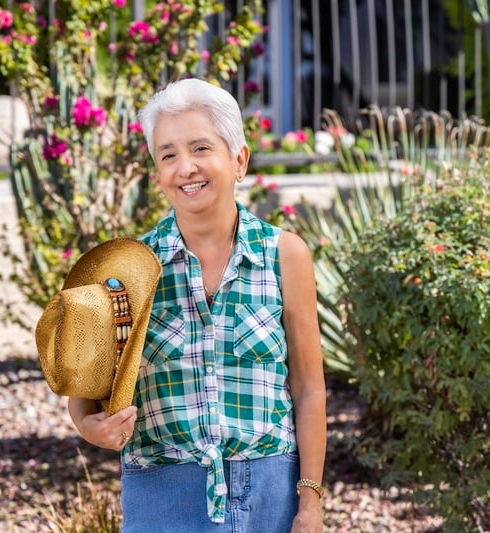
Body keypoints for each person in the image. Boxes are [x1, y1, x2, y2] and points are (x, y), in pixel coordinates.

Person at [66, 77, 327, 533]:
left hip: (270, 494)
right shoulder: (127, 270)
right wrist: (94, 430)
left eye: (201, 148)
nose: (185, 167)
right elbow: (82, 400)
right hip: (162, 496)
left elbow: (308, 390)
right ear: (157, 172)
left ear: (239, 159)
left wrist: (310, 505)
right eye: (168, 155)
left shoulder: (285, 255)